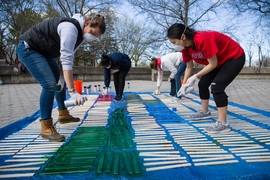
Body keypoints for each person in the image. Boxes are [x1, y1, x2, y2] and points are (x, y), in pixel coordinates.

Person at [16, 13, 106, 142]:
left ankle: (63, 114)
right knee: (49, 85)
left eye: (95, 36)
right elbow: (66, 60)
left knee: (59, 82)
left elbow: (68, 59)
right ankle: (46, 126)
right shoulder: (70, 28)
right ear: (87, 23)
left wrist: (63, 80)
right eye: (92, 32)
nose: (92, 37)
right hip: (29, 48)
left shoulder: (80, 36)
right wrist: (72, 91)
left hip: (44, 53)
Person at [167, 23, 245, 133]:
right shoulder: (185, 49)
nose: (174, 45)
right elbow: (189, 67)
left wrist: (195, 76)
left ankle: (223, 123)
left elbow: (212, 64)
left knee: (216, 87)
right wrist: (185, 84)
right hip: (218, 62)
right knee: (202, 84)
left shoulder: (202, 39)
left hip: (233, 57)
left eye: (174, 42)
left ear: (183, 37)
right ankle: (205, 111)